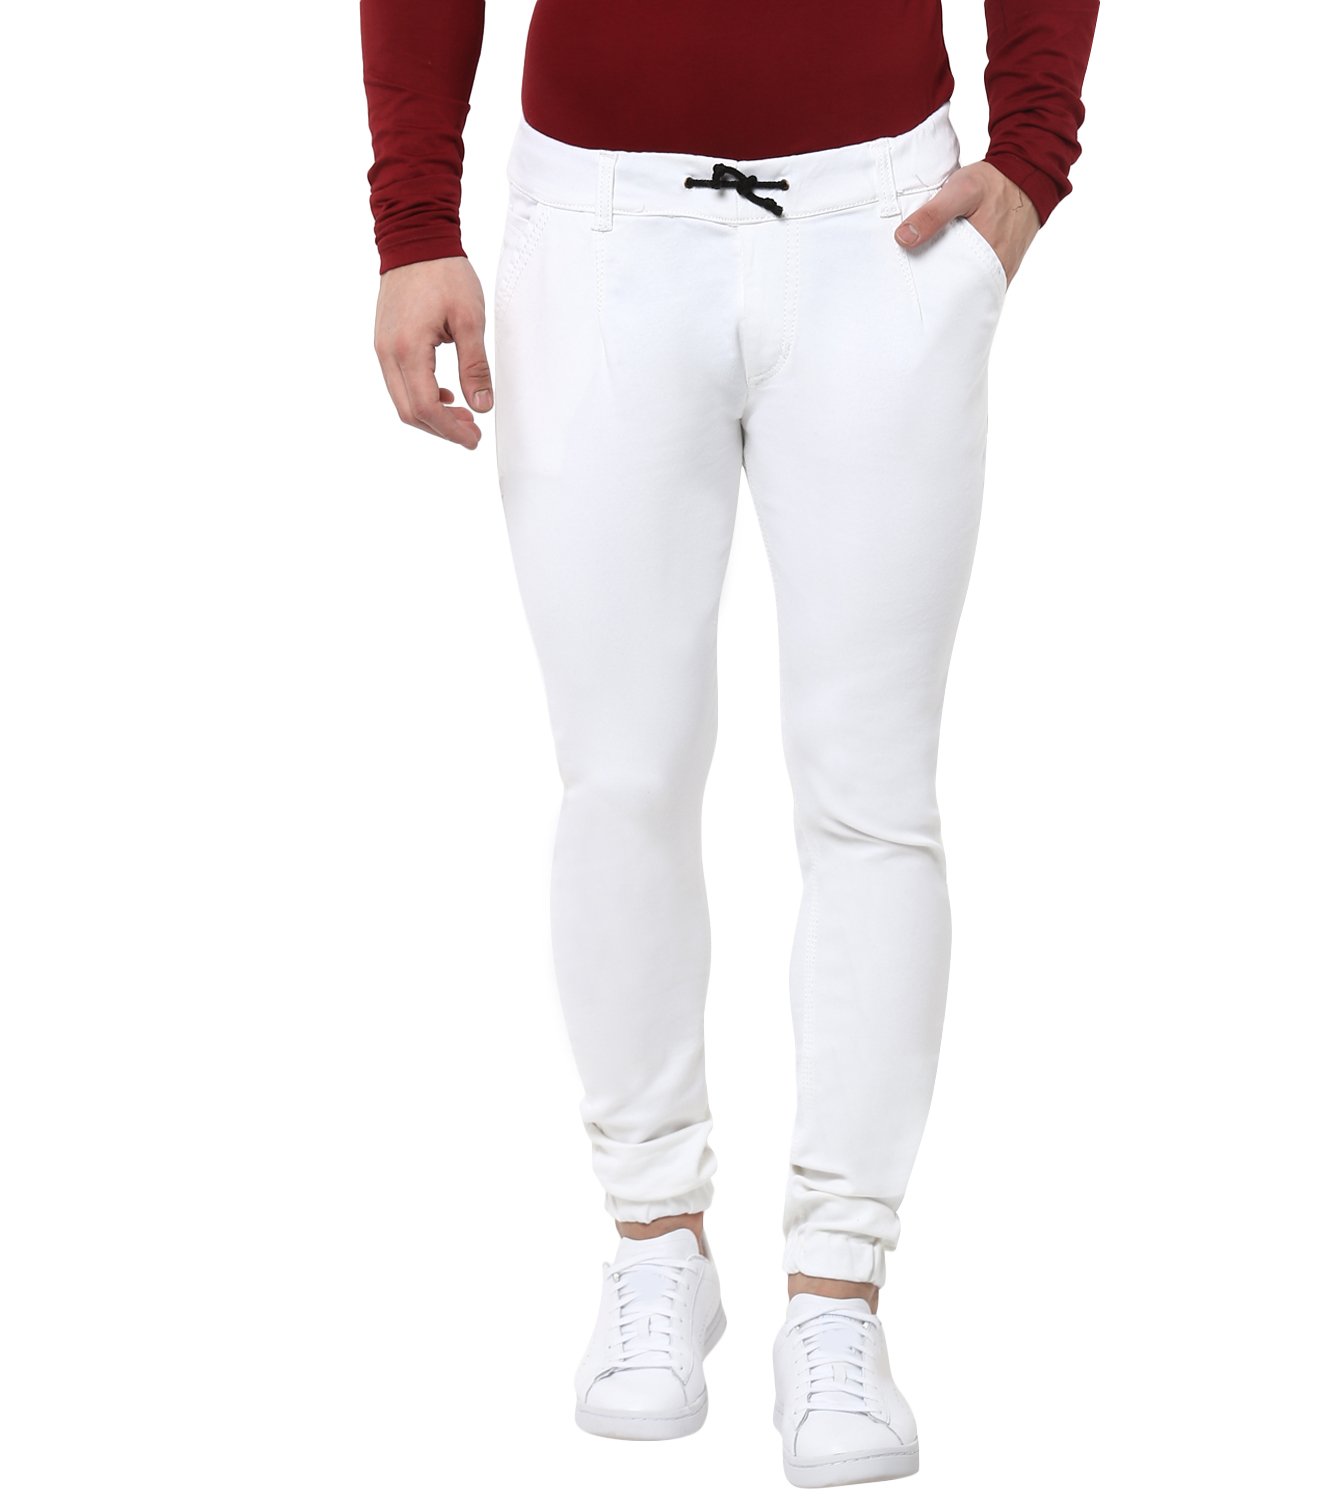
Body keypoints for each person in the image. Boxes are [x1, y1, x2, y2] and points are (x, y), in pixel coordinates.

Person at [360, 1, 1098, 1486]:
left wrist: (1034, 147)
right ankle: (654, 1244)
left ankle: (839, 1290)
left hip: (884, 226)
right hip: (596, 231)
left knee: (871, 792)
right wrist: (414, 218)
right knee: (620, 776)